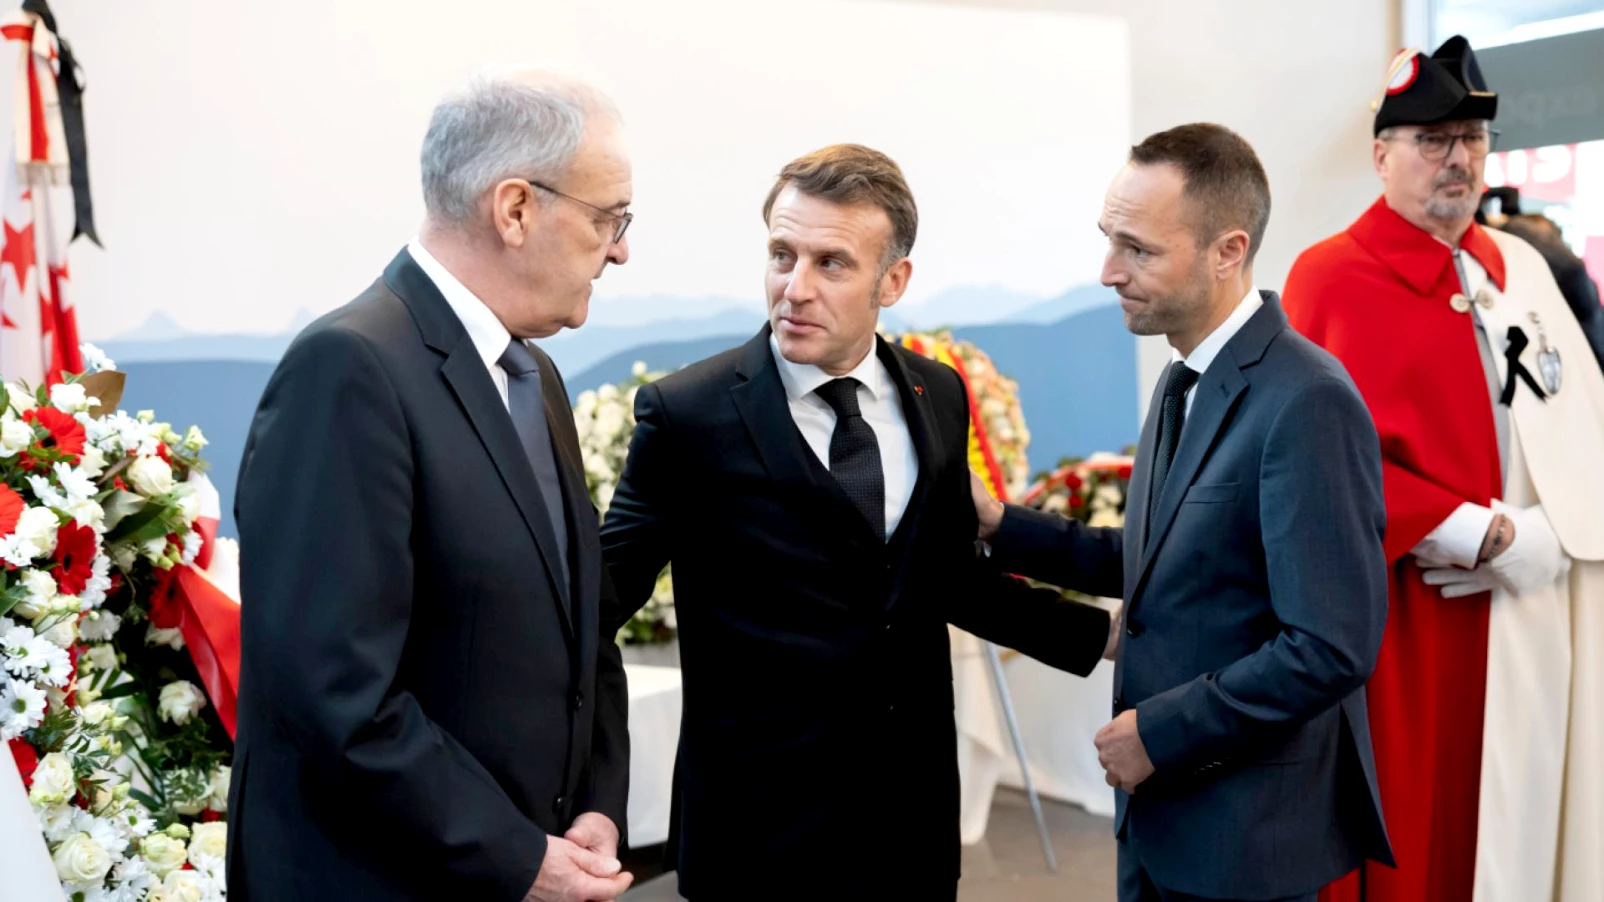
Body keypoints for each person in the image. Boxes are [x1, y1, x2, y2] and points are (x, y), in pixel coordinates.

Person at [600, 144, 1116, 900]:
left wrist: (1108, 640)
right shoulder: (688, 414)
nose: (794, 288)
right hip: (758, 834)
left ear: (893, 280)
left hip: (911, 825)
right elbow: (604, 591)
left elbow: (944, 580)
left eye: (831, 264)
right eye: (782, 254)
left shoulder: (936, 393)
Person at [230, 67, 636, 902]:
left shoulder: (535, 376)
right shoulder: (349, 369)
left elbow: (575, 630)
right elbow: (334, 693)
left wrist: (595, 803)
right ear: (516, 208)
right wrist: (518, 856)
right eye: (608, 218)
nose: (622, 248)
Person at [973, 123, 1392, 902]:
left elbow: (1331, 645)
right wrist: (1002, 523)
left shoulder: (1308, 401)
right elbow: (1161, 559)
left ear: (1228, 250)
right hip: (1163, 822)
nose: (1108, 272)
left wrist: (1160, 733)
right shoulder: (1182, 378)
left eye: (1138, 249)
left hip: (1246, 835)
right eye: (1109, 240)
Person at [1284, 36, 1604, 902]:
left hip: (1534, 603)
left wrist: (1553, 528)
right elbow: (1306, 455)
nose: (1456, 158)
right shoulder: (1329, 277)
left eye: (1469, 137)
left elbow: (1583, 421)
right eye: (1432, 140)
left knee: (1527, 815)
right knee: (1422, 826)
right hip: (1412, 614)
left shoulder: (1523, 265)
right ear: (1382, 154)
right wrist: (1471, 529)